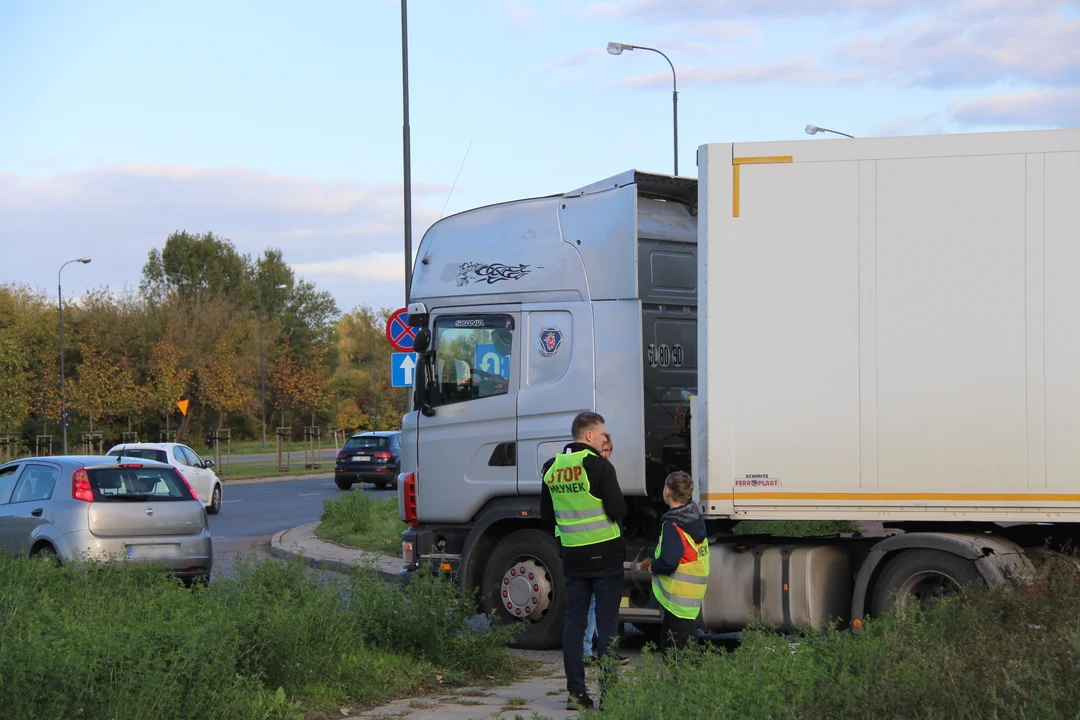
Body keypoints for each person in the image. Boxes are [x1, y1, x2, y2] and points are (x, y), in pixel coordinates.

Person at [541, 413, 627, 711]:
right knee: (607, 626)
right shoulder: (599, 466)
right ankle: (609, 697)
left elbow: (547, 516)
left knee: (574, 626)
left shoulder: (551, 468)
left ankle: (576, 695)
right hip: (606, 557)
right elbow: (618, 509)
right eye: (602, 433)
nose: (605, 438)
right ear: (589, 436)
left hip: (574, 558)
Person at [640, 471, 709, 651]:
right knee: (687, 652)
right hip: (690, 600)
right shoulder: (694, 518)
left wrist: (653, 566)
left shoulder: (673, 524)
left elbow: (670, 561)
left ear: (668, 492)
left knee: (676, 656)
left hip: (677, 601)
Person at [582, 433, 613, 663]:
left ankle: (604, 649)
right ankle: (589, 650)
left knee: (598, 606)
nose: (605, 455)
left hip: (597, 544)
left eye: (608, 451)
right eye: (603, 450)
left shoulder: (604, 470)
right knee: (593, 605)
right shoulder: (598, 472)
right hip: (595, 545)